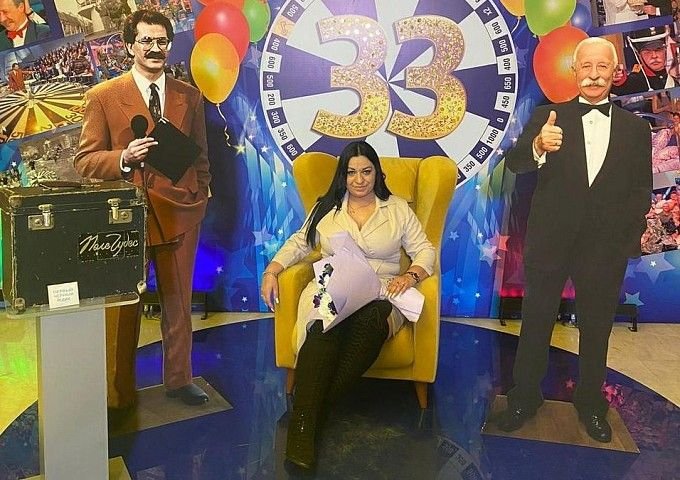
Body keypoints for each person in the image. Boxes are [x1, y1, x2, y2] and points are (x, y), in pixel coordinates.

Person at [499, 37, 652, 443]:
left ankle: (591, 404)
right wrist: (537, 146)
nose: (594, 75)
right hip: (550, 241)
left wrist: (623, 237)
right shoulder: (547, 116)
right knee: (535, 322)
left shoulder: (637, 129)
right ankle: (524, 398)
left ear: (616, 72)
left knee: (597, 329)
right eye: (587, 66)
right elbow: (515, 163)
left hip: (604, 249)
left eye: (603, 67)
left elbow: (641, 190)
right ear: (574, 70)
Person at [260, 140, 435, 469]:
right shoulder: (327, 207)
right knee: (323, 327)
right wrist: (272, 270)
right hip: (334, 286)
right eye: (352, 172)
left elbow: (425, 250)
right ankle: (303, 428)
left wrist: (411, 276)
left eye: (366, 171)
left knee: (372, 321)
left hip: (383, 291)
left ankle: (310, 411)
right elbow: (299, 243)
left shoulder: (397, 208)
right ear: (343, 175)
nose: (359, 179)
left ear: (377, 173)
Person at [75, 10, 211, 409]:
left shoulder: (189, 95)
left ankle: (180, 380)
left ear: (169, 45)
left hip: (181, 211)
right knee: (124, 308)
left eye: (161, 41)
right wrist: (123, 157)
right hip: (127, 218)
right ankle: (118, 394)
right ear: (129, 46)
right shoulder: (102, 96)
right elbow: (84, 161)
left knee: (178, 302)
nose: (154, 48)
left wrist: (199, 193)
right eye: (146, 41)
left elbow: (201, 155)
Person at [612, 26, 679, 95]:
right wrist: (616, 79)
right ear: (638, 54)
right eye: (647, 51)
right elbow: (621, 88)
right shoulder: (635, 82)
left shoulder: (674, 73)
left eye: (658, 49)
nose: (654, 56)